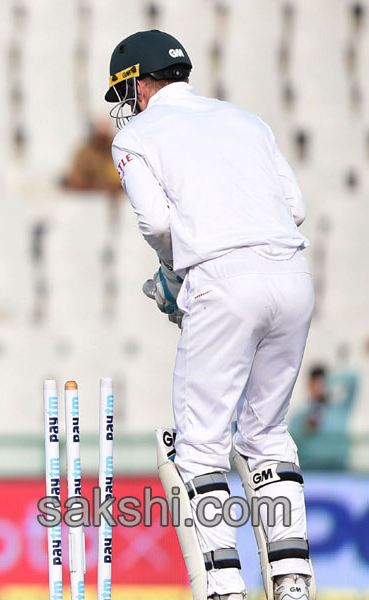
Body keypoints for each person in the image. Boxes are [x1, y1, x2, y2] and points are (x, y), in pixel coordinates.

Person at [106, 30, 314, 600]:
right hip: (292, 275)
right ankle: (293, 582)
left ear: (137, 83)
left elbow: (155, 224)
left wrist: (178, 274)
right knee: (268, 435)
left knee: (198, 446)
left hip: (221, 283)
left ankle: (224, 585)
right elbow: (295, 208)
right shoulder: (247, 120)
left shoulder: (136, 136)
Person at [289, 365, 358, 470]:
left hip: (339, 472)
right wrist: (305, 429)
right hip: (310, 472)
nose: (318, 388)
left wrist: (330, 380)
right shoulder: (300, 416)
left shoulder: (340, 409)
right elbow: (290, 444)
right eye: (314, 384)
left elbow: (353, 380)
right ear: (309, 385)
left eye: (321, 383)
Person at [62, 120, 124, 197]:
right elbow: (76, 179)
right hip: (89, 200)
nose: (102, 138)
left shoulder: (118, 151)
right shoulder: (85, 153)